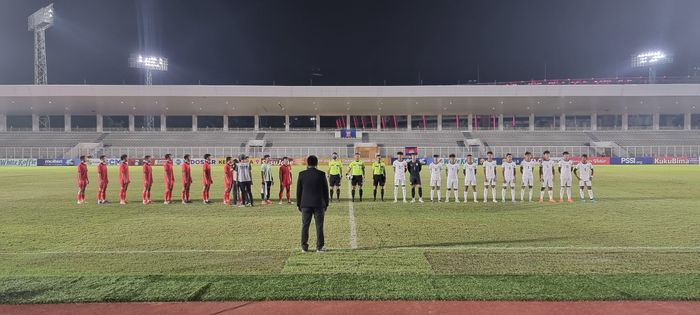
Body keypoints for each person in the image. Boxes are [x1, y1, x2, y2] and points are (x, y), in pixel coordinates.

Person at [296, 155, 330, 253]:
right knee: (319, 226)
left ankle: (304, 247)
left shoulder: (302, 174)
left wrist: (299, 204)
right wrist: (326, 204)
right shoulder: (321, 174)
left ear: (307, 163)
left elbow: (299, 191)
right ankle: (319, 247)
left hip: (305, 204)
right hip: (319, 204)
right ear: (316, 163)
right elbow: (325, 191)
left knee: (305, 226)